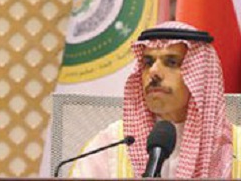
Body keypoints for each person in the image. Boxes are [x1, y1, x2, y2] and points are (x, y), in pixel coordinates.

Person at [70, 20, 240, 178]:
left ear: (202, 76)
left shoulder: (236, 150)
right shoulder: (110, 147)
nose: (153, 72)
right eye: (148, 62)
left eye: (171, 62)